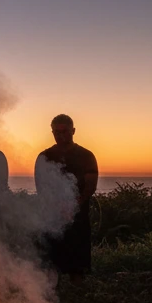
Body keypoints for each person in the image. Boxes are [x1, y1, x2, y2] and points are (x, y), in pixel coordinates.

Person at [35, 114, 99, 279]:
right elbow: (41, 188)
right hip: (51, 220)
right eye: (57, 132)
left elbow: (90, 186)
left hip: (78, 220)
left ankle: (79, 300)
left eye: (65, 131)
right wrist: (53, 208)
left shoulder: (86, 156)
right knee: (51, 267)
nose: (61, 135)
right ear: (52, 132)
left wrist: (73, 207)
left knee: (78, 269)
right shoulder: (44, 157)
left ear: (73, 131)